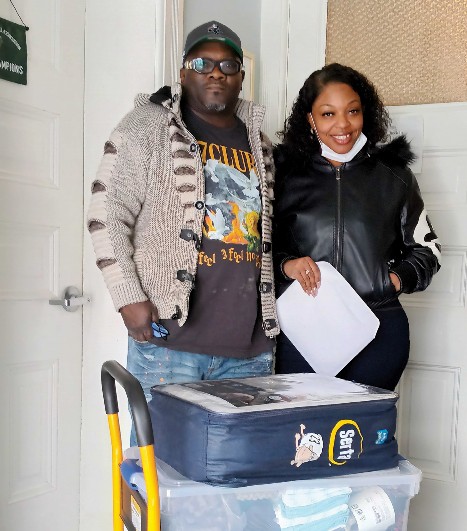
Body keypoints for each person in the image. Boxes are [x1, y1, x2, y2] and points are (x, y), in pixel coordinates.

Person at [87, 21, 280, 441]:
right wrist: (128, 298)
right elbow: (106, 213)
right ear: (182, 72)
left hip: (248, 352)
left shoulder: (260, 144)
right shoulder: (146, 128)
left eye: (227, 64)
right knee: (159, 474)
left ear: (240, 77)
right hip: (169, 346)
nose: (216, 72)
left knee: (237, 479)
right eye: (202, 62)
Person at [273, 63, 441, 391]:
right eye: (327, 114)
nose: (343, 125)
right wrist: (287, 265)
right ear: (310, 118)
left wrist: (391, 281)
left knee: (362, 436)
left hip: (376, 330)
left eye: (352, 111)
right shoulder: (284, 175)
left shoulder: (394, 176)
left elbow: (428, 248)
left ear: (365, 112)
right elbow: (260, 247)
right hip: (302, 334)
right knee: (304, 437)